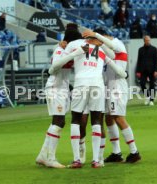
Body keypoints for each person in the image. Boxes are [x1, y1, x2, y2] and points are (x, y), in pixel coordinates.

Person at [82, 29, 141, 164]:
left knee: (118, 117)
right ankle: (116, 152)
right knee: (109, 118)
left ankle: (134, 151)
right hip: (107, 85)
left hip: (117, 85)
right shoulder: (103, 48)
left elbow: (113, 50)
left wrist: (96, 37)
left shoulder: (116, 42)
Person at [49, 34, 106, 169]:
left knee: (76, 119)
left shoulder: (76, 45)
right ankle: (96, 160)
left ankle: (77, 160)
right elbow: (114, 56)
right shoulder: (102, 50)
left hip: (81, 83)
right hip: (98, 84)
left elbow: (57, 63)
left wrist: (59, 46)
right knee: (97, 120)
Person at [35, 29, 82, 169]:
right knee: (59, 121)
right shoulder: (59, 51)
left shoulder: (66, 49)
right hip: (55, 88)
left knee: (57, 122)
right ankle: (51, 158)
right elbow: (54, 66)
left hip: (63, 88)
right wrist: (71, 52)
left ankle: (43, 155)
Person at [136, 36, 157, 106]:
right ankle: (147, 96)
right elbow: (139, 60)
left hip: (152, 70)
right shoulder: (140, 49)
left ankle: (152, 100)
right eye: (147, 40)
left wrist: (156, 70)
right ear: (144, 41)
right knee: (142, 84)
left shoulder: (154, 49)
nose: (148, 41)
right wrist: (138, 71)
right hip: (143, 70)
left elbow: (156, 60)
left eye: (149, 40)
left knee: (152, 85)